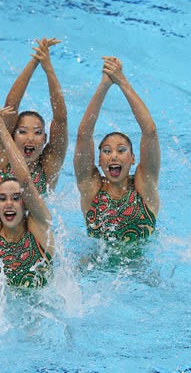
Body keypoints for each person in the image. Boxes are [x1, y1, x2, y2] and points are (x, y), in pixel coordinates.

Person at [74, 57, 160, 244]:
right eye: (106, 151)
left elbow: (150, 131)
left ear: (133, 159)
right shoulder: (91, 188)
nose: (113, 155)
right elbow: (83, 136)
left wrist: (121, 81)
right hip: (96, 269)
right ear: (99, 161)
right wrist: (105, 84)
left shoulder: (144, 187)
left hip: (140, 270)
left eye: (121, 150)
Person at [0, 107, 54, 288]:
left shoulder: (40, 228)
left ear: (25, 204)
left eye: (16, 198)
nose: (9, 203)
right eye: (2, 198)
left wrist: (4, 132)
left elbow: (26, 181)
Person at [0, 38, 67, 195]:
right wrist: (34, 61)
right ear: (11, 137)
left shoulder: (48, 167)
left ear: (45, 138)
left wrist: (48, 70)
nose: (30, 138)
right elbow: (10, 106)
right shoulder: (2, 157)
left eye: (38, 132)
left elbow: (60, 119)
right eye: (23, 131)